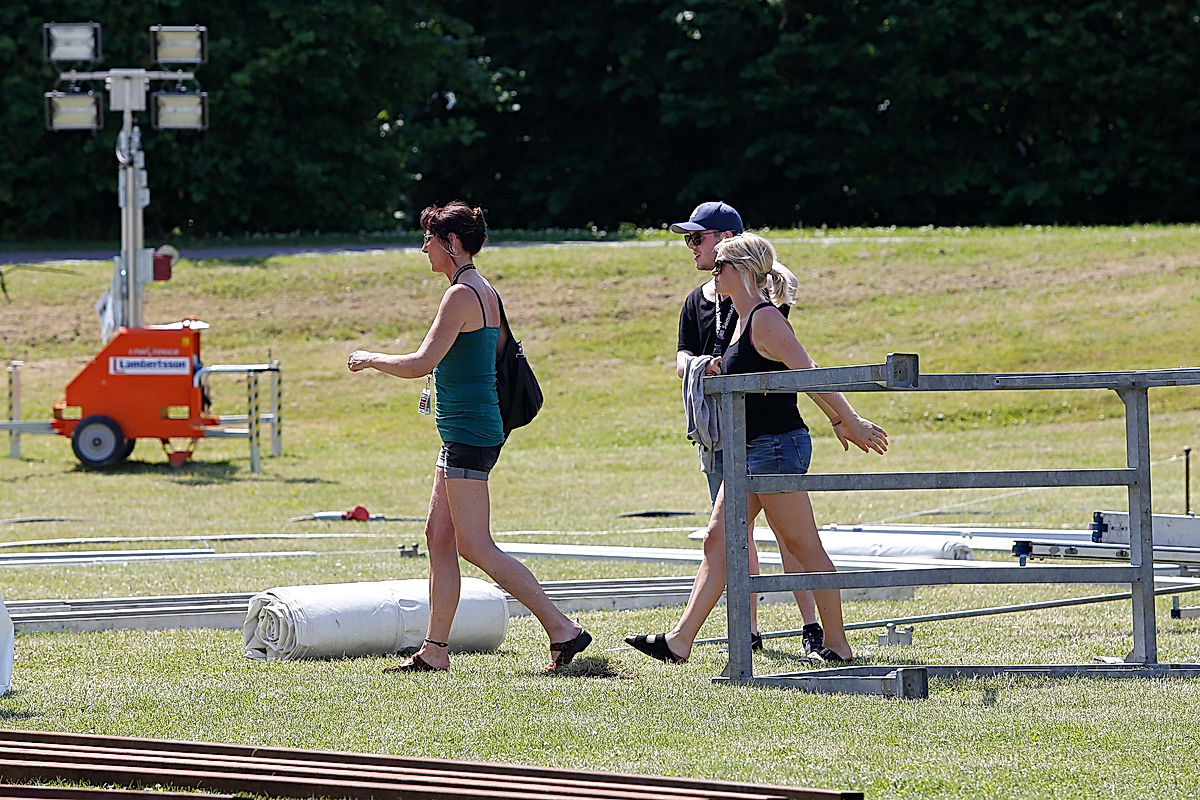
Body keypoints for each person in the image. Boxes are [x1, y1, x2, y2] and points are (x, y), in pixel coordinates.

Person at [347, 201, 591, 673]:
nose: (423, 249)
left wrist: (370, 357)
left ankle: (563, 629)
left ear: (452, 244)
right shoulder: (480, 289)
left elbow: (421, 362)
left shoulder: (461, 295)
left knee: (475, 545)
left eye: (429, 240)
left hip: (471, 432)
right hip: (466, 430)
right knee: (438, 537)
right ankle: (435, 651)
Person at [628, 232, 888, 665]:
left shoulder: (767, 320)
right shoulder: (740, 319)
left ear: (743, 270)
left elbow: (809, 372)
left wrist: (847, 420)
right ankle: (680, 640)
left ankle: (838, 644)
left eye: (720, 266)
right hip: (748, 447)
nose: (713, 272)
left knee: (803, 548)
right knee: (719, 539)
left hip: (774, 447)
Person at [671, 201, 823, 655]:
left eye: (698, 238)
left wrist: (844, 418)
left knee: (789, 536)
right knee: (728, 535)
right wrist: (700, 366)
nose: (692, 247)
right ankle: (746, 629)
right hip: (719, 433)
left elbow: (798, 366)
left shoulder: (762, 304)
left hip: (766, 435)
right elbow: (681, 355)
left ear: (728, 242)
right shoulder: (697, 300)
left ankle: (816, 630)